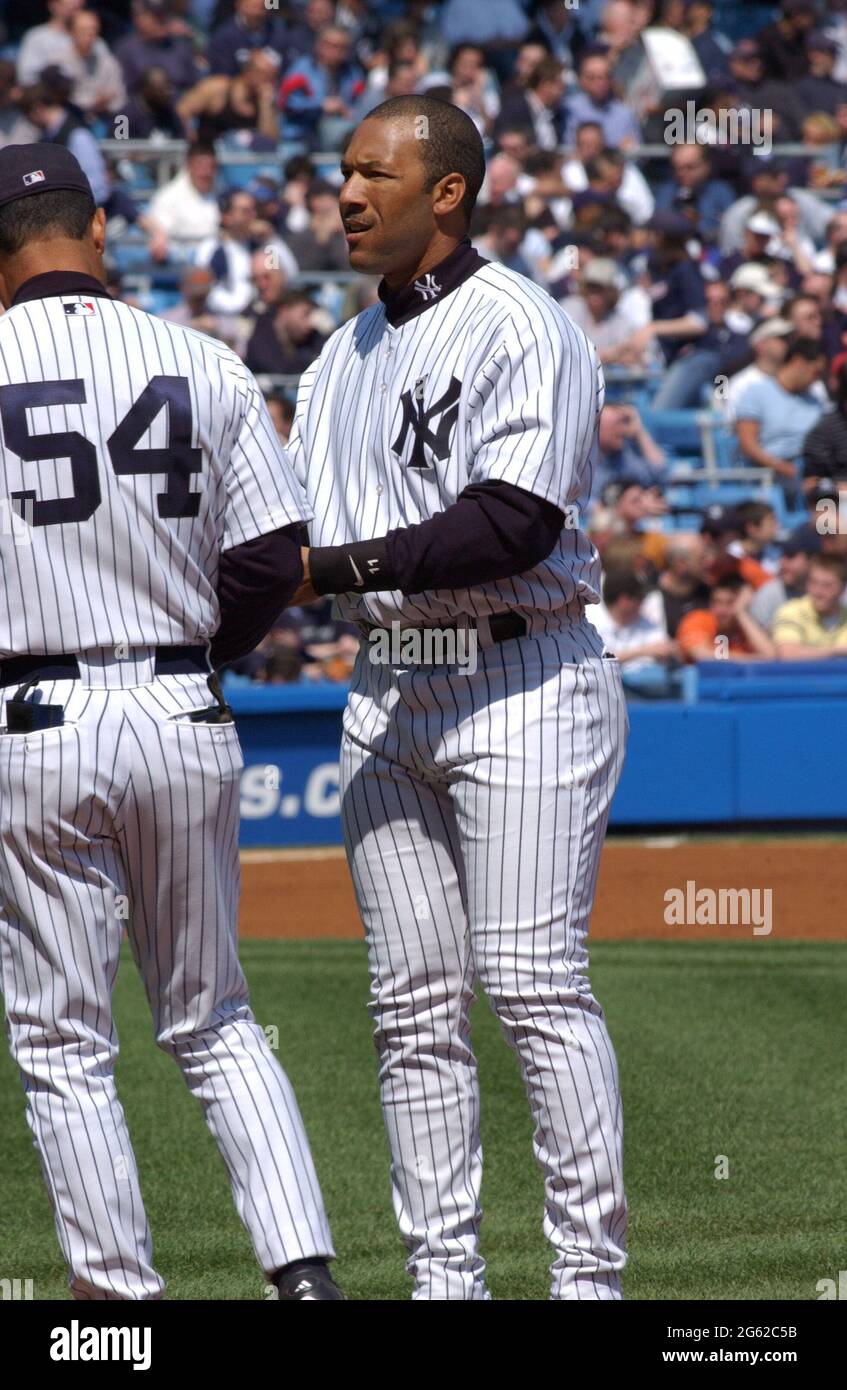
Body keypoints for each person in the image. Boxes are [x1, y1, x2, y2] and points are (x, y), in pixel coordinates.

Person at [289, 94, 629, 1301]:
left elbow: (511, 522)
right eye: (340, 170)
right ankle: (447, 1282)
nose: (344, 191)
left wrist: (330, 572)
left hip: (516, 668)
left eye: (371, 171)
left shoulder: (521, 324)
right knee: (412, 1005)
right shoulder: (339, 359)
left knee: (533, 985)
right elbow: (279, 538)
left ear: (445, 192)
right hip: (392, 683)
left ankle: (587, 1282)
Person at [0, 142, 342, 1302]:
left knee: (63, 1043)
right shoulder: (202, 359)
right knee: (214, 1019)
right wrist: (199, 657)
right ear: (99, 233)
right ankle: (303, 1277)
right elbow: (268, 560)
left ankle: (120, 1307)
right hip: (178, 705)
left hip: (33, 716)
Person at [735, 337, 828, 492]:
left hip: (814, 474)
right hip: (774, 476)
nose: (817, 379)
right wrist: (786, 469)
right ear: (798, 362)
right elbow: (747, 445)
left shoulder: (815, 401)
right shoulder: (756, 393)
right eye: (816, 372)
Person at [589, 570, 677, 672]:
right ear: (624, 600)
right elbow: (599, 661)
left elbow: (664, 646)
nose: (643, 602)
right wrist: (644, 651)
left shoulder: (645, 623)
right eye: (640, 597)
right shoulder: (593, 624)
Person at [676, 575, 776, 661]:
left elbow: (770, 657)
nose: (721, 610)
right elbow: (703, 655)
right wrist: (756, 659)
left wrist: (741, 613)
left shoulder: (749, 626)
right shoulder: (698, 619)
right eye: (717, 602)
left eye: (730, 603)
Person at [114, 0, 199, 98]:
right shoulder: (126, 50)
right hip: (144, 109)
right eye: (154, 16)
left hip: (181, 105)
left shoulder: (180, 46)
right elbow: (124, 94)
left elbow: (195, 85)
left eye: (163, 14)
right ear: (137, 19)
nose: (161, 20)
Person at [773, 555, 847, 657]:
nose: (818, 592)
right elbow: (788, 654)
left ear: (843, 588)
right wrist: (837, 652)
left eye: (827, 585)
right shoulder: (791, 612)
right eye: (813, 582)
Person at [563, 49, 640, 146]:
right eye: (592, 77)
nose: (600, 83)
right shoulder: (568, 109)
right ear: (581, 80)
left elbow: (636, 152)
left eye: (605, 76)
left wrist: (629, 150)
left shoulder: (625, 114)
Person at [245, 288, 327, 375]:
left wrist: (325, 332)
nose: (309, 324)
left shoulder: (309, 337)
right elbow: (277, 369)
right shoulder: (259, 336)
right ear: (284, 311)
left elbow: (325, 358)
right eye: (305, 314)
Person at [63, 9, 127, 117]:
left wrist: (106, 104)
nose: (90, 34)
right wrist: (93, 103)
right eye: (84, 30)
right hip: (74, 119)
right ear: (71, 32)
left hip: (107, 118)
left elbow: (120, 97)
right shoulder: (60, 63)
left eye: (93, 29)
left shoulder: (108, 62)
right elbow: (64, 99)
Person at [748, 538, 814, 631]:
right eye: (782, 556)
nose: (783, 563)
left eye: (790, 556)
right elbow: (757, 637)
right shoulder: (768, 593)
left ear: (812, 561)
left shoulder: (828, 590)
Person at [15, 0, 82, 88]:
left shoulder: (90, 39)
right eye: (70, 6)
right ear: (53, 5)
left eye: (78, 7)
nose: (74, 12)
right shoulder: (36, 36)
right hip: (45, 95)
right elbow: (25, 77)